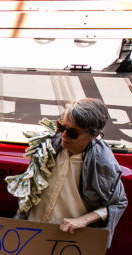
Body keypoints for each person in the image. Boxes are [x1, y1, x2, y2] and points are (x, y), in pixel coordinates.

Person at [23, 98, 127, 242]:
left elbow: (119, 203)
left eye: (72, 132)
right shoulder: (51, 145)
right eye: (61, 126)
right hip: (31, 231)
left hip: (66, 241)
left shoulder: (102, 162)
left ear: (94, 135)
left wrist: (84, 220)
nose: (63, 134)